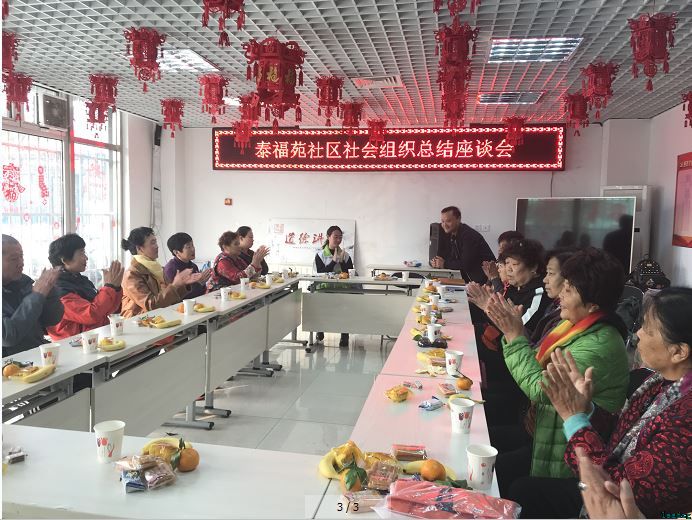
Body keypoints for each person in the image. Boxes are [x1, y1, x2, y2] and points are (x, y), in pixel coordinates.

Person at [486, 247, 630, 518]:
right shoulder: (577, 326)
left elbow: (540, 388)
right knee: (491, 459)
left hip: (570, 456)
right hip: (546, 434)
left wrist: (514, 335)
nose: (560, 295)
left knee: (507, 481)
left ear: (593, 305)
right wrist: (513, 333)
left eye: (569, 290)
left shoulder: (598, 346)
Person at [541, 287, 692, 518]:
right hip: (598, 491)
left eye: (648, 330)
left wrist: (574, 419)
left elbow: (615, 490)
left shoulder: (686, 424)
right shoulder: (661, 382)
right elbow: (621, 433)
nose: (638, 333)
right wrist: (586, 409)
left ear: (679, 352)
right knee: (525, 491)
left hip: (616, 505)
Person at [46, 233, 123, 340]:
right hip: (72, 345)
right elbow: (91, 315)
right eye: (81, 253)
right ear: (65, 260)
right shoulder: (58, 289)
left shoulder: (81, 280)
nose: (86, 258)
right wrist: (109, 287)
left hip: (95, 339)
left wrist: (115, 288)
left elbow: (109, 310)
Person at [120, 227, 205, 318]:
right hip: (139, 321)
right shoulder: (132, 275)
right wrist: (175, 285)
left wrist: (183, 285)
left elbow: (170, 299)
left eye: (156, 242)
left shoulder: (158, 269)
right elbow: (151, 305)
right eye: (152, 243)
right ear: (139, 248)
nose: (157, 246)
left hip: (159, 317)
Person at [2, 234, 64, 357]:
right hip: (9, 364)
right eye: (14, 259)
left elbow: (51, 320)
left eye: (21, 256)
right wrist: (37, 295)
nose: (21, 263)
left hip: (37, 354)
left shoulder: (23, 282)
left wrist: (49, 292)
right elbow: (8, 336)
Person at [430, 206, 495, 283]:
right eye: (442, 221)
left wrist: (444, 264)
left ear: (458, 219)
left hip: (488, 281)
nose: (444, 225)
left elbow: (466, 264)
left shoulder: (468, 235)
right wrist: (438, 262)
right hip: (473, 280)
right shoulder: (453, 235)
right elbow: (453, 259)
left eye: (448, 221)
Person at [314, 225, 353, 347]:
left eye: (340, 237)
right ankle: (320, 329)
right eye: (335, 237)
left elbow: (350, 273)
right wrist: (333, 262)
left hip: (342, 289)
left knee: (346, 308)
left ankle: (344, 335)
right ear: (328, 237)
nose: (338, 240)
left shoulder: (346, 255)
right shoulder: (320, 255)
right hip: (324, 288)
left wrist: (342, 262)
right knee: (319, 304)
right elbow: (320, 273)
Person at [163, 232, 209, 299]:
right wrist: (198, 284)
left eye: (192, 245)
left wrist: (203, 283)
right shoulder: (170, 269)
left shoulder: (193, 266)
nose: (193, 249)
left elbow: (200, 292)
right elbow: (175, 298)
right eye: (188, 247)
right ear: (176, 252)